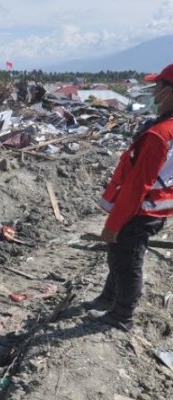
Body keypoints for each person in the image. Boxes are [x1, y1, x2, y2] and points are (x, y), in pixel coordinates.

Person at [85, 62, 173, 331]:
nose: (154, 90)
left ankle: (122, 315)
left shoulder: (160, 134)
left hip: (141, 209)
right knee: (119, 255)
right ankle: (109, 297)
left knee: (127, 260)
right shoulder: (165, 127)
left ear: (169, 91)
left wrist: (113, 224)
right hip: (154, 207)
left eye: (158, 85)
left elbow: (137, 185)